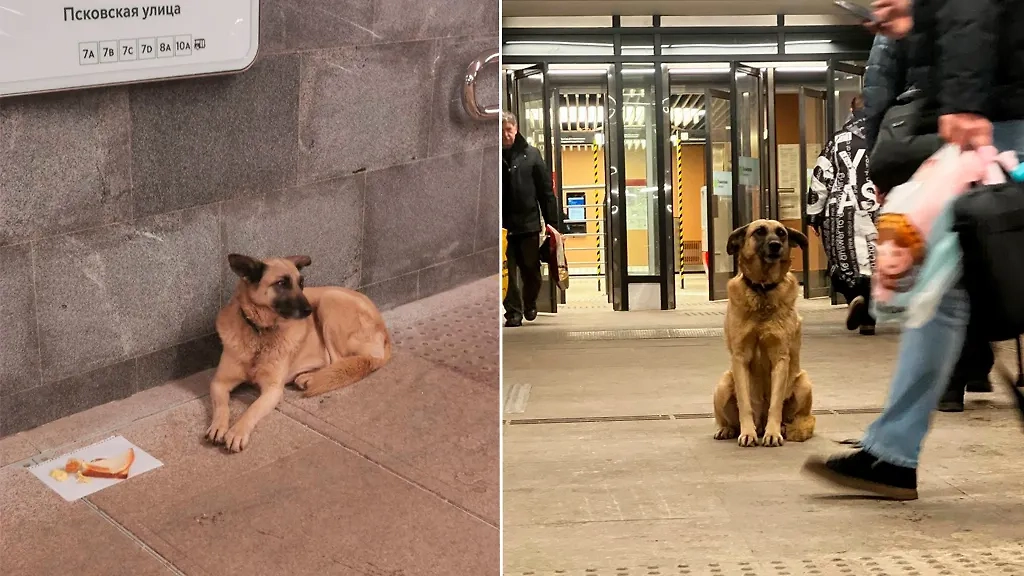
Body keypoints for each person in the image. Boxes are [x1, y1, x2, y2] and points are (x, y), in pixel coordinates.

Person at [803, 0, 1024, 500]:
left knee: (948, 286)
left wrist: (965, 100)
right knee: (941, 289)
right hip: (995, 111)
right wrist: (917, 21)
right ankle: (892, 453)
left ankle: (893, 452)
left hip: (1002, 117)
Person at [861, 1, 996, 412]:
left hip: (949, 133)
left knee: (944, 269)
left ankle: (949, 385)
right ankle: (974, 365)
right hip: (978, 128)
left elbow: (877, 92)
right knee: (978, 257)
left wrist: (878, 167)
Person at [807, 95, 880, 335]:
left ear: (851, 110)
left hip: (840, 212)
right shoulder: (883, 138)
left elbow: (821, 177)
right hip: (876, 207)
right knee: (874, 264)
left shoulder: (838, 141)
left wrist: (813, 214)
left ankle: (854, 298)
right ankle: (869, 316)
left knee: (844, 263)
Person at [502, 112, 564, 327]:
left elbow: (546, 192)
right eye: (501, 131)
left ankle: (530, 302)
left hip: (528, 225)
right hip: (502, 228)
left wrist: (553, 225)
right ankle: (513, 312)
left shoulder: (532, 155)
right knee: (507, 272)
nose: (505, 135)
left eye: (508, 130)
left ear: (516, 129)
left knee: (532, 271)